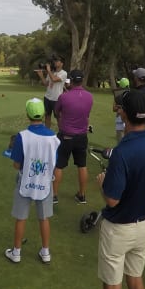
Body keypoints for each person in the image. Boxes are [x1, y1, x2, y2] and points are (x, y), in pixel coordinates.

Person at [96, 89, 145, 289]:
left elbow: (112, 200)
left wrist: (103, 184)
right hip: (142, 228)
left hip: (118, 229)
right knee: (136, 278)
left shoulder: (121, 152)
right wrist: (143, 186)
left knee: (112, 285)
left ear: (124, 114)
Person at [5, 98, 60, 264]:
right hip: (44, 182)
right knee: (44, 218)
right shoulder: (54, 138)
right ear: (43, 114)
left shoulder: (22, 136)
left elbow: (16, 165)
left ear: (27, 114)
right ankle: (45, 252)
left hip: (25, 182)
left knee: (21, 218)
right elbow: (54, 163)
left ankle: (16, 252)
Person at [53, 69, 94, 204]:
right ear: (82, 80)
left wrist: (60, 122)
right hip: (82, 136)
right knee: (82, 165)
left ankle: (54, 195)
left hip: (66, 136)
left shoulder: (64, 97)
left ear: (70, 80)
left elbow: (56, 111)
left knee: (59, 165)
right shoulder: (89, 97)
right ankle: (82, 195)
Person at [34, 54, 67, 128]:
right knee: (47, 116)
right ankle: (47, 133)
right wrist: (41, 75)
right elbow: (46, 84)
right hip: (47, 97)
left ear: (62, 63)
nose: (55, 62)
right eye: (54, 61)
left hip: (56, 99)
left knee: (58, 117)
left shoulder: (64, 73)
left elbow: (54, 79)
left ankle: (61, 133)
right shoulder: (51, 72)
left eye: (57, 61)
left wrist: (48, 70)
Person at [113, 77, 130, 143]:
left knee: (120, 143)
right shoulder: (132, 95)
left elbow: (114, 108)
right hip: (129, 122)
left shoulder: (117, 96)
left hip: (120, 122)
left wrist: (119, 107)